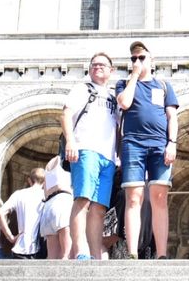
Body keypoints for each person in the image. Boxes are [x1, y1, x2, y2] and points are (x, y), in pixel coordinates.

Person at [114, 40, 178, 259]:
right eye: (133, 58)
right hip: (133, 144)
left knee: (159, 197)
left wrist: (172, 143)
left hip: (160, 144)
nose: (137, 61)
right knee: (134, 197)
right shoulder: (123, 83)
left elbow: (172, 117)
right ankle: (132, 252)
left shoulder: (164, 86)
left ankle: (161, 254)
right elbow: (124, 103)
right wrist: (134, 75)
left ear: (152, 60)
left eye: (142, 57)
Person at [61, 51, 117, 260]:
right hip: (85, 149)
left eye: (102, 64)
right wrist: (71, 141)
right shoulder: (82, 89)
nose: (97, 67)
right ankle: (80, 251)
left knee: (99, 208)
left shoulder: (114, 97)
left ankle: (95, 255)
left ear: (111, 70)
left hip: (108, 157)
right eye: (94, 64)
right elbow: (66, 114)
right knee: (83, 200)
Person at [0, 168, 44, 259]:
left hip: (21, 246)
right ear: (44, 182)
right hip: (41, 247)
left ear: (29, 180)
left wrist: (10, 237)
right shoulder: (46, 196)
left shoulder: (19, 194)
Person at [38, 158, 73, 259]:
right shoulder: (58, 160)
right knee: (65, 233)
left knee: (52, 255)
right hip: (62, 199)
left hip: (49, 203)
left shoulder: (51, 165)